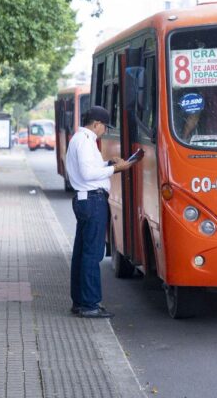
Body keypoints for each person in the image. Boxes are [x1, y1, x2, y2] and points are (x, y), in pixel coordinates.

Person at [65, 106, 139, 318]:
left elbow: (87, 169)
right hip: (92, 199)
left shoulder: (78, 139)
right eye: (104, 127)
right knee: (92, 253)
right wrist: (116, 169)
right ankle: (90, 305)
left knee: (81, 253)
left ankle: (80, 301)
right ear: (96, 123)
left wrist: (108, 163)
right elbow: (89, 174)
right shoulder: (86, 141)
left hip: (84, 199)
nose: (104, 131)